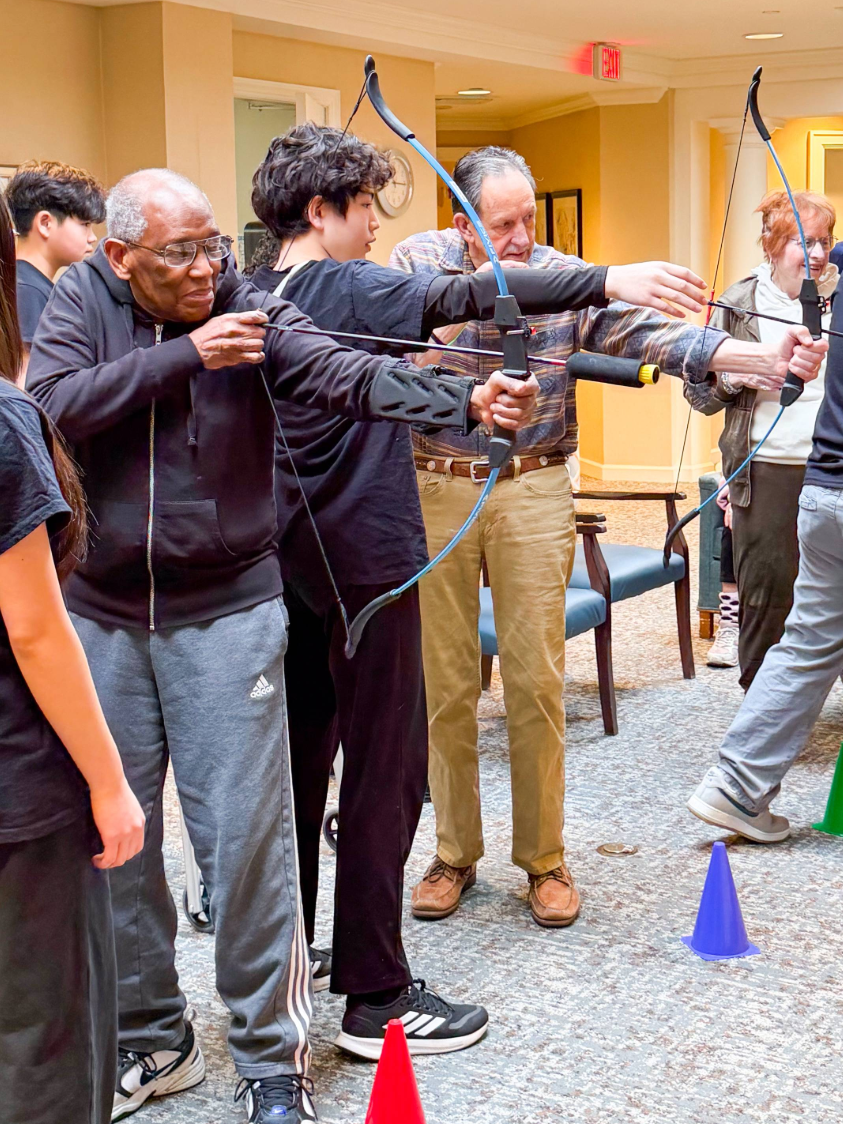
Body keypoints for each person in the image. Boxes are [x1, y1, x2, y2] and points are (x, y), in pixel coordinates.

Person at [26, 167, 535, 1124]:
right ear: (120, 255)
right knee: (117, 843)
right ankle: (153, 1037)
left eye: (213, 244)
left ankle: (271, 1061)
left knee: (247, 846)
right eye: (180, 253)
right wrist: (189, 359)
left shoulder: (249, 306)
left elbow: (344, 373)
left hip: (225, 612)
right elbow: (50, 406)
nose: (205, 268)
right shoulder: (76, 305)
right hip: (102, 619)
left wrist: (461, 405)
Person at [246, 122, 712, 1057]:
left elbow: (363, 382)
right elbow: (461, 293)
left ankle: (288, 971)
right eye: (364, 206)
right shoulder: (347, 283)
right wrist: (606, 277)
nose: (374, 224)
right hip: (367, 573)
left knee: (298, 772)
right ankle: (374, 991)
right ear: (319, 209)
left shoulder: (256, 292)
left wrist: (462, 403)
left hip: (288, 569)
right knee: (388, 775)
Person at [389, 146, 827, 930]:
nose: (523, 235)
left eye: (528, 219)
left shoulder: (564, 273)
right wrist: (591, 279)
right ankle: (453, 853)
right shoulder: (419, 261)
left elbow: (655, 338)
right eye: (503, 223)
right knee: (446, 684)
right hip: (436, 485)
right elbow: (427, 318)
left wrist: (757, 358)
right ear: (462, 225)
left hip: (536, 484)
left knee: (534, 679)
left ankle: (544, 859)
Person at [0, 193, 145, 1124]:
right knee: (45, 1040)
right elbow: (34, 626)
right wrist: (108, 780)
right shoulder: (6, 423)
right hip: (20, 796)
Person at [688, 268, 843, 844]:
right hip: (788, 473)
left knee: (807, 641)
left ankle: (734, 787)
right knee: (780, 615)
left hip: (825, 485)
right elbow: (701, 388)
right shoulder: (744, 299)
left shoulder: (837, 291)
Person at [688, 191, 837, 686]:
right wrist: (750, 371)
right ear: (772, 247)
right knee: (769, 595)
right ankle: (762, 702)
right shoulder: (738, 302)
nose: (816, 254)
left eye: (824, 241)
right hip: (768, 469)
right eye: (803, 241)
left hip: (833, 468)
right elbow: (700, 394)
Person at [4, 160, 105, 375]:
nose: (92, 237)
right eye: (85, 225)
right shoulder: (26, 291)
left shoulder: (25, 283)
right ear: (45, 224)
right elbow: (27, 383)